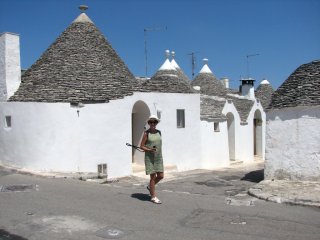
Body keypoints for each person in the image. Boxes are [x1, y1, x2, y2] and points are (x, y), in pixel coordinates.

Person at [140, 115, 164, 204]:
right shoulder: (146, 133)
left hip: (158, 157)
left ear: (157, 123)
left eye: (154, 122)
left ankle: (150, 186)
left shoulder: (159, 132)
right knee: (153, 177)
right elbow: (141, 146)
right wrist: (150, 149)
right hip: (150, 158)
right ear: (149, 123)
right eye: (150, 122)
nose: (152, 124)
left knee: (161, 176)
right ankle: (153, 197)